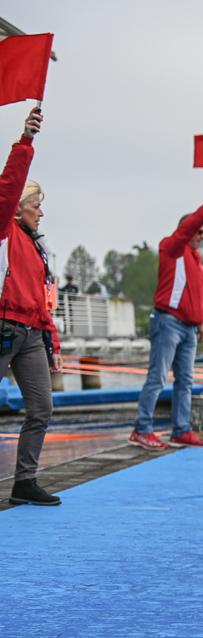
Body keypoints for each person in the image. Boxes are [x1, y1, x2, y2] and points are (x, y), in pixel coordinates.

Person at [128, 176, 203, 451]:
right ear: (187, 231)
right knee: (158, 376)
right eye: (199, 232)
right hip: (168, 322)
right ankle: (142, 429)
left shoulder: (197, 260)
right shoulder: (172, 248)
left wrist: (202, 321)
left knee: (186, 380)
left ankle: (181, 430)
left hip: (189, 328)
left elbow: (195, 294)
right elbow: (191, 225)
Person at [0, 107, 63, 506]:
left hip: (31, 334)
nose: (42, 211)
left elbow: (44, 302)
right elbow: (7, 186)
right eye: (37, 204)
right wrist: (26, 140)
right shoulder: (4, 229)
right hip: (3, 327)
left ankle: (25, 482)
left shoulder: (38, 250)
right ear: (20, 206)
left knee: (42, 406)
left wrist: (51, 342)